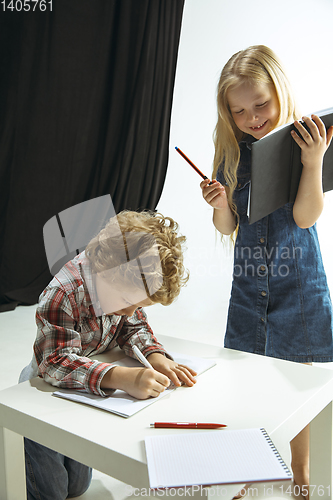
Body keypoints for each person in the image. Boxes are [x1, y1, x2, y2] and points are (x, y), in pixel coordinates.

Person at [200, 45, 333, 499]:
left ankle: (300, 474)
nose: (253, 117)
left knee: (294, 385)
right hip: (250, 285)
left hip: (297, 285)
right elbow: (228, 225)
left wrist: (313, 163)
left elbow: (305, 217)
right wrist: (220, 205)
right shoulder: (231, 155)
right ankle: (250, 469)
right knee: (247, 381)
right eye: (239, 110)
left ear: (279, 92)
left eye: (261, 104)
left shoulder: (303, 144)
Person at [19, 209, 197, 500]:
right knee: (49, 489)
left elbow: (132, 326)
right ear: (105, 270)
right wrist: (122, 377)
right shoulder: (63, 292)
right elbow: (55, 362)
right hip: (43, 389)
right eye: (127, 302)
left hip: (88, 386)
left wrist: (154, 356)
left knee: (77, 487)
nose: (130, 311)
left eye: (137, 304)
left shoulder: (123, 285)